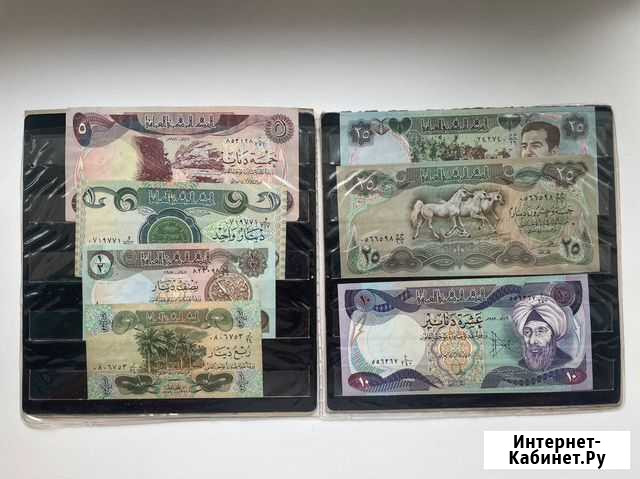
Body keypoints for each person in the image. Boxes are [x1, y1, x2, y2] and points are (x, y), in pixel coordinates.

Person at [511, 295, 572, 371]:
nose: (532, 341)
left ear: (553, 334)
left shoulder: (565, 363)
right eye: (527, 332)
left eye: (540, 331)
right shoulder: (520, 365)